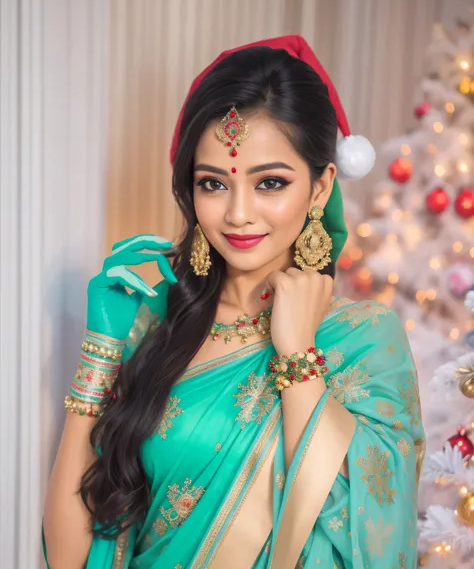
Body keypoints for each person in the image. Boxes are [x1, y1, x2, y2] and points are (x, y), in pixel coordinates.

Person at [43, 35, 426, 569]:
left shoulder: (364, 339)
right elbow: (69, 558)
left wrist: (296, 356)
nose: (238, 214)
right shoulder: (157, 329)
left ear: (320, 188)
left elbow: (374, 539)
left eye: (270, 183)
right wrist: (100, 350)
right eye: (214, 184)